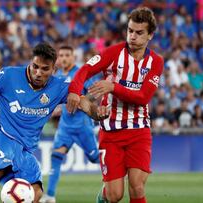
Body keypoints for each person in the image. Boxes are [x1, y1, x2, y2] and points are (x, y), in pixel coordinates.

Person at [0, 42, 108, 203]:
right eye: (35, 66)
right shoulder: (7, 76)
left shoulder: (60, 86)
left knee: (35, 193)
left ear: (53, 70)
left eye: (44, 69)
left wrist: (96, 113)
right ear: (30, 63)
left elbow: (83, 101)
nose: (38, 73)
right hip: (0, 133)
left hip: (25, 147)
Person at [67, 7, 164, 203]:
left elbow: (143, 97)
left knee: (137, 187)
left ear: (150, 35)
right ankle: (103, 197)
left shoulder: (156, 62)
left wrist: (113, 87)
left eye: (139, 33)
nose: (133, 36)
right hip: (111, 133)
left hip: (139, 131)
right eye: (130, 31)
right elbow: (85, 70)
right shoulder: (113, 53)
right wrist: (74, 92)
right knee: (114, 195)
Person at [40, 46, 101, 203]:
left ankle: (117, 173)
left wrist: (82, 101)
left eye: (67, 55)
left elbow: (95, 92)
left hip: (82, 126)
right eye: (61, 55)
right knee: (56, 156)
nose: (64, 58)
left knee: (96, 158)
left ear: (73, 57)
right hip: (65, 127)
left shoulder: (81, 73)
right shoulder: (58, 75)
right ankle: (50, 196)